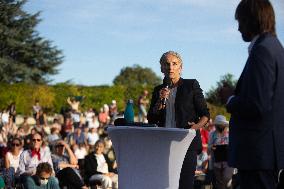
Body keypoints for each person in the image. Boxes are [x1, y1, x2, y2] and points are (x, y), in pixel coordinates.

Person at [226, 1, 284, 189]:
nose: (238, 28)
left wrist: (230, 99)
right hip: (265, 155)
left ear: (253, 19)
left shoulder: (263, 51)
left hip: (257, 156)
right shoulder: (275, 48)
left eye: (240, 21)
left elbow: (257, 105)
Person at [147, 51, 210, 189]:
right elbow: (151, 118)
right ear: (161, 68)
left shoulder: (191, 85)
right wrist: (159, 100)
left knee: (185, 185)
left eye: (174, 64)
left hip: (186, 143)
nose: (170, 67)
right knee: (165, 184)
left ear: (180, 67)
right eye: (167, 64)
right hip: (164, 143)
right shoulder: (158, 90)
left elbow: (205, 115)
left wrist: (194, 128)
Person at [208, 115, 233, 189]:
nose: (219, 126)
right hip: (216, 160)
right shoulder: (212, 134)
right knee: (218, 182)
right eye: (218, 125)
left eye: (221, 124)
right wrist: (212, 147)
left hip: (228, 160)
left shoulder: (230, 133)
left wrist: (228, 147)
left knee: (226, 178)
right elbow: (209, 148)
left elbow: (234, 145)